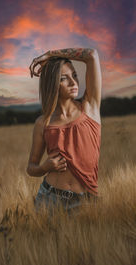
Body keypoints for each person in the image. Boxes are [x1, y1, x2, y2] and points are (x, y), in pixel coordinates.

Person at [27, 48, 102, 215]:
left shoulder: (90, 107)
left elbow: (91, 55)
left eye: (74, 75)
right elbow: (31, 167)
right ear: (52, 84)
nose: (73, 82)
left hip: (86, 202)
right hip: (49, 200)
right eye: (63, 78)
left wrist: (51, 54)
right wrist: (45, 167)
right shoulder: (43, 123)